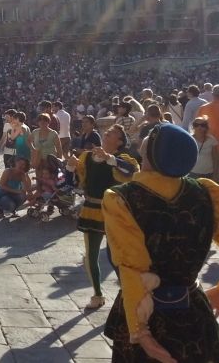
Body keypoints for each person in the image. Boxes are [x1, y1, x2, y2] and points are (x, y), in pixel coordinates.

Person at [103, 123, 219, 363]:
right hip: (193, 309)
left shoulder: (122, 198)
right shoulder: (206, 192)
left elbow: (133, 267)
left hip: (147, 313)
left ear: (148, 156)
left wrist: (141, 333)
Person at [67, 124, 138, 310]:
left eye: (113, 132)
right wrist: (70, 166)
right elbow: (72, 182)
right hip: (91, 208)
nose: (107, 132)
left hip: (114, 211)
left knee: (117, 254)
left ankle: (128, 290)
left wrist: (110, 159)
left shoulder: (123, 159)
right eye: (108, 131)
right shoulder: (88, 156)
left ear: (120, 141)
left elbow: (132, 172)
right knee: (91, 254)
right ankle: (97, 294)